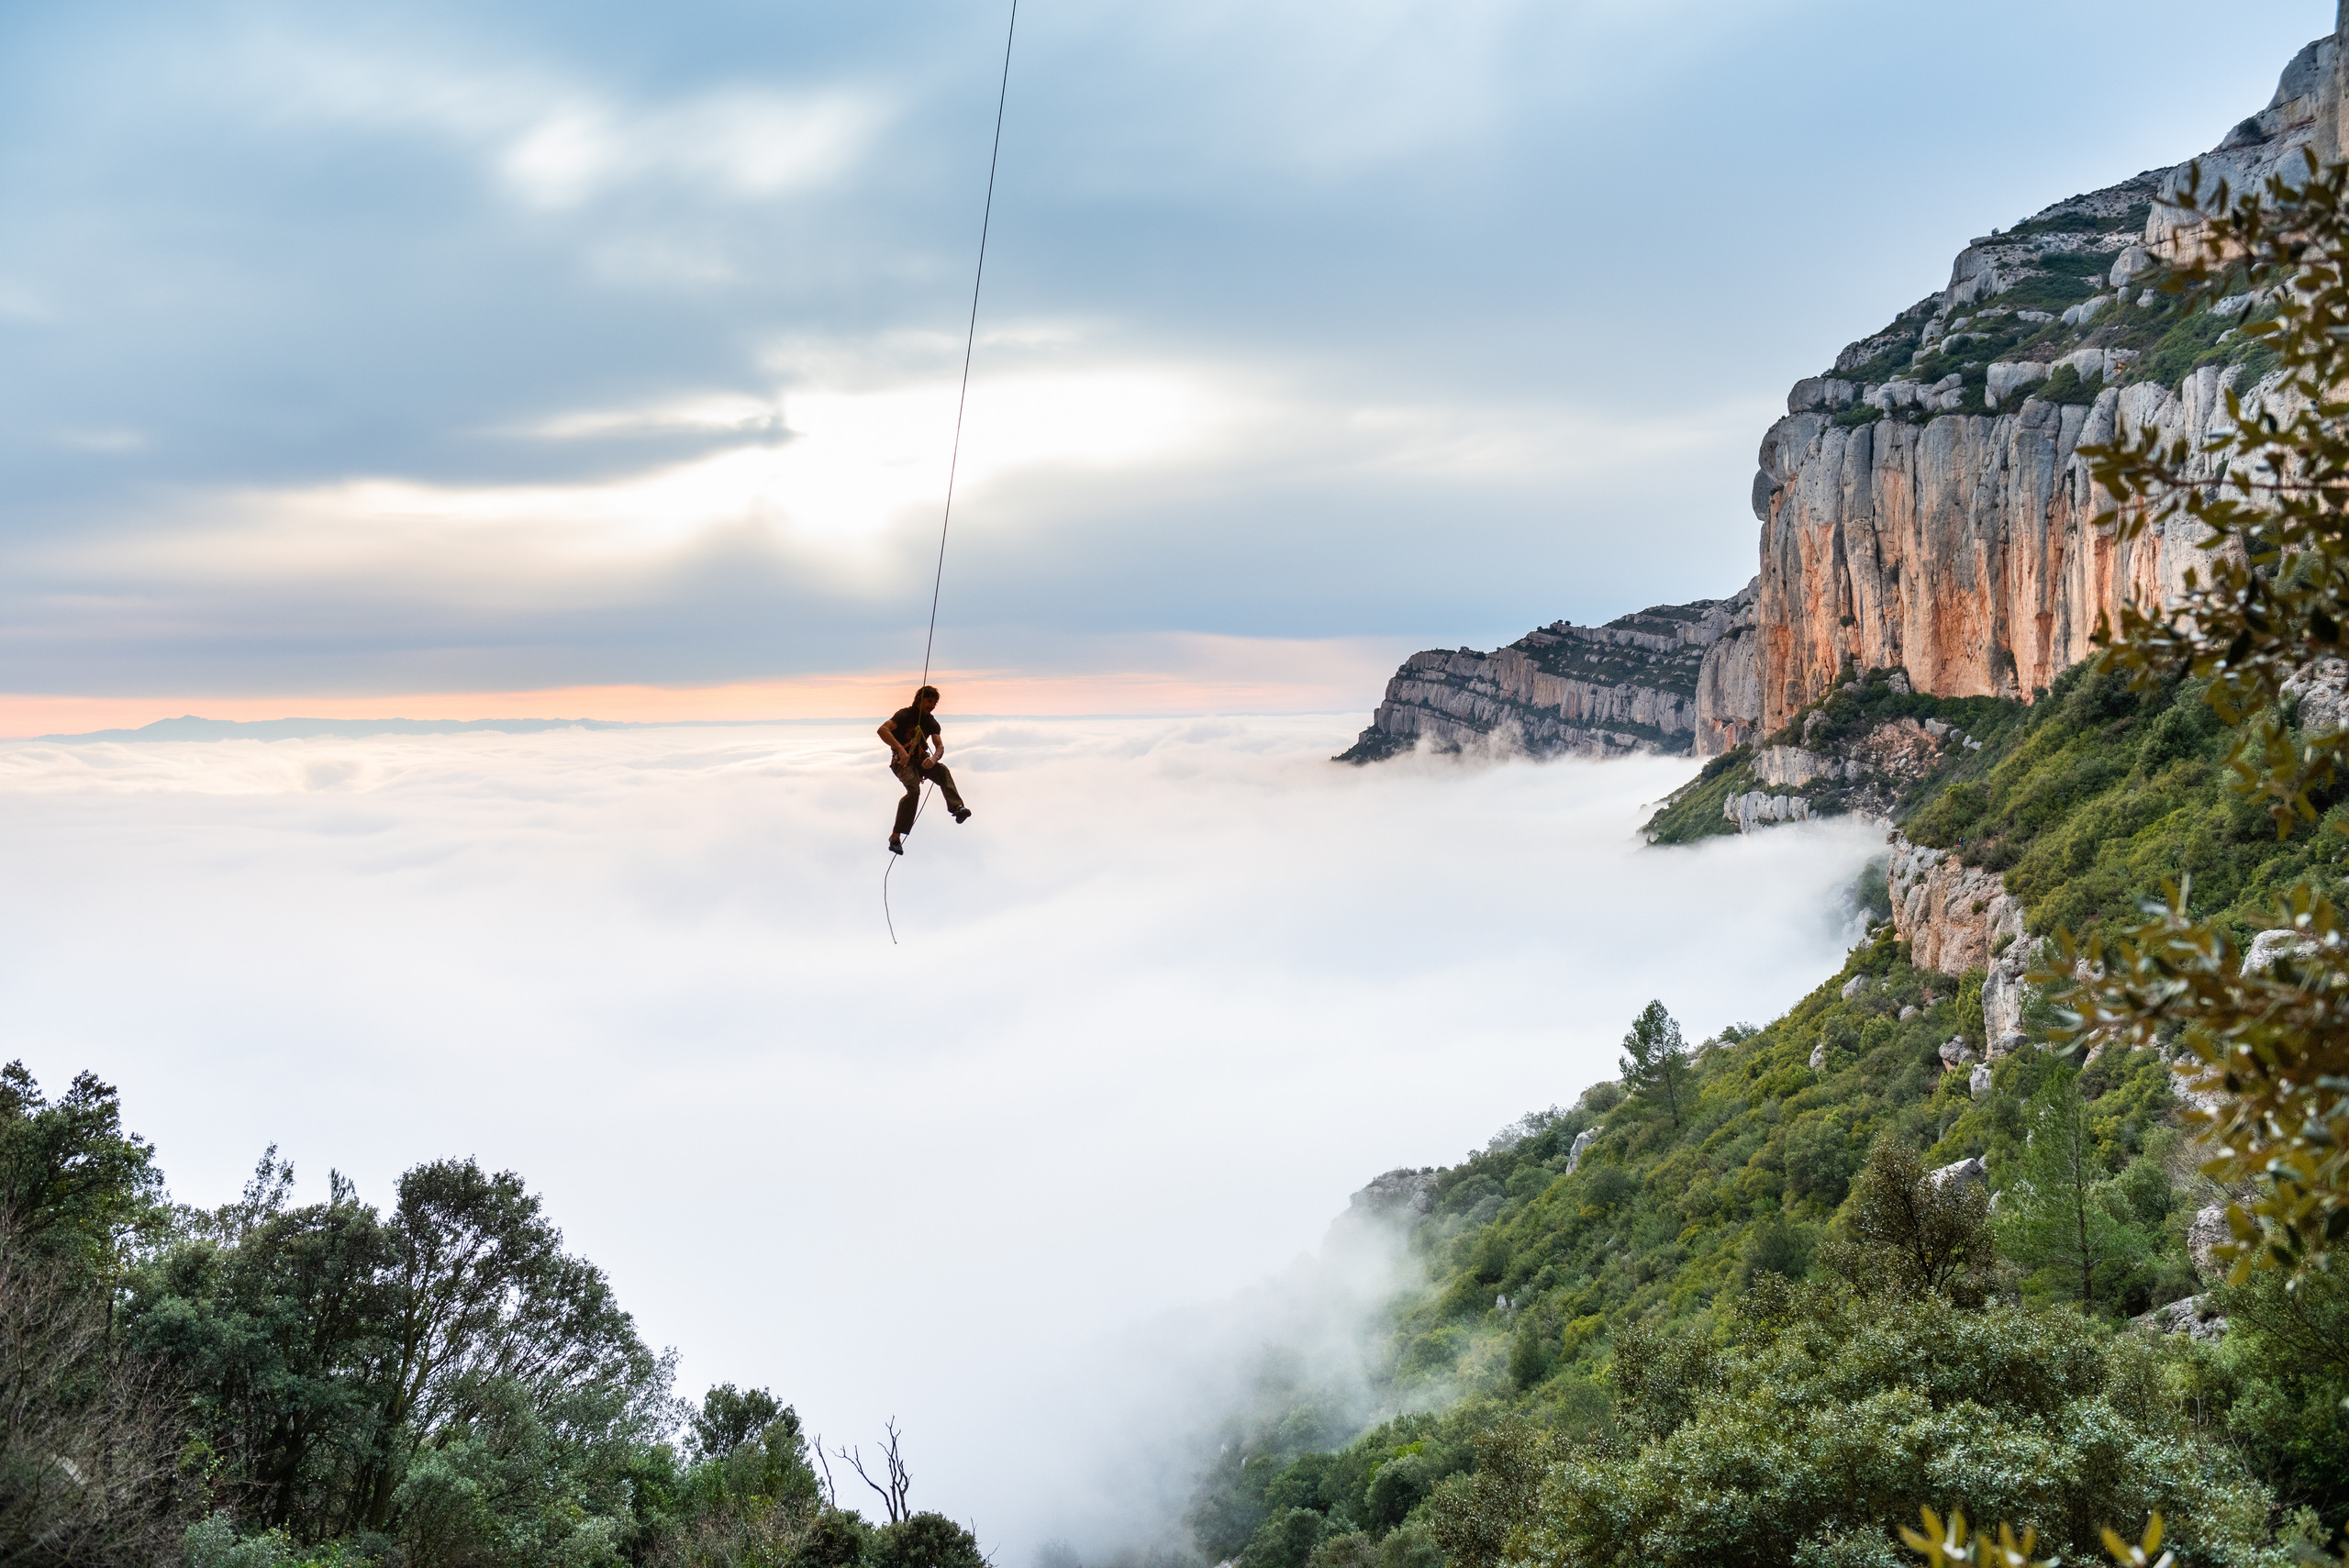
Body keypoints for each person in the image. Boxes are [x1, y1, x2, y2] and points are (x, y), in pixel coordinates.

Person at [878, 684, 972, 855]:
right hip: (902, 762)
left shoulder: (931, 722)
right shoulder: (904, 715)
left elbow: (939, 746)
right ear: (919, 700)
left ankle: (957, 808)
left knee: (942, 771)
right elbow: (882, 730)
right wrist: (900, 749)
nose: (932, 705)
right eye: (929, 701)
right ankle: (895, 838)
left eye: (935, 703)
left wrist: (934, 758)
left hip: (921, 760)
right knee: (913, 790)